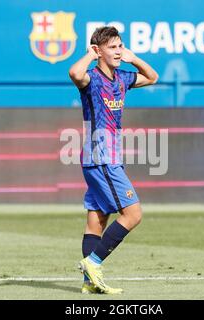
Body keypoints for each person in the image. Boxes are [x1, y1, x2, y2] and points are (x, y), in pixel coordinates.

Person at [68, 26, 158, 294]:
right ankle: (93, 263)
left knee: (97, 217)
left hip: (108, 156)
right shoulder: (91, 79)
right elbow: (74, 73)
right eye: (113, 47)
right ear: (98, 51)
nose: (118, 50)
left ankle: (89, 282)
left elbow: (152, 77)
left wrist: (134, 58)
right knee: (133, 214)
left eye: (120, 45)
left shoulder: (121, 79)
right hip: (101, 156)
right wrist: (89, 54)